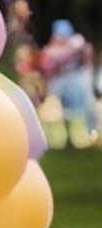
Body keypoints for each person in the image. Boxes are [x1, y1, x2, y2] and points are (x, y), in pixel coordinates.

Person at [40, 18, 96, 150]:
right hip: (59, 83)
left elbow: (79, 48)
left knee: (77, 112)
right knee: (55, 113)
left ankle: (81, 138)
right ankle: (58, 140)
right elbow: (48, 61)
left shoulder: (76, 41)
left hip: (74, 82)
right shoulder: (52, 51)